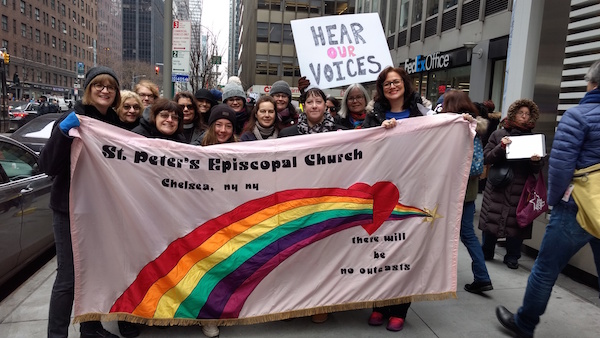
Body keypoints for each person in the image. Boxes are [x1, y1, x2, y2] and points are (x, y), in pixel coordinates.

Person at [495, 60, 600, 338]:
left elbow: (562, 166)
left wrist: (552, 201)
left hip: (576, 206)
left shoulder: (579, 116)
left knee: (545, 269)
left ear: (592, 82)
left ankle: (524, 324)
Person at [40, 66, 140, 338]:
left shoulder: (115, 125)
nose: (105, 90)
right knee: (68, 278)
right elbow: (47, 165)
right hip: (69, 209)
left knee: (96, 273)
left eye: (110, 86)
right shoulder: (73, 118)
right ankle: (56, 334)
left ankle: (91, 329)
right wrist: (62, 133)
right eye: (99, 85)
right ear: (88, 89)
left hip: (101, 212)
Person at [362, 66, 435, 332]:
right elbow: (363, 147)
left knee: (405, 249)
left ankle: (400, 308)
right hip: (382, 189)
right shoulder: (374, 115)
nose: (392, 87)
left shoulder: (423, 113)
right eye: (386, 84)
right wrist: (380, 132)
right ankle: (379, 305)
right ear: (381, 90)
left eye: (396, 82)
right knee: (378, 247)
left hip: (414, 188)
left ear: (405, 83)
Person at [478, 99, 544, 269]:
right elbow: (486, 157)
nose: (524, 116)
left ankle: (512, 256)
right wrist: (501, 147)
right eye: (521, 113)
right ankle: (486, 251)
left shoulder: (533, 138)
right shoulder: (499, 134)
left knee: (517, 222)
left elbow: (537, 169)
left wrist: (536, 161)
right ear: (513, 114)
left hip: (521, 187)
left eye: (527, 114)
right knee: (492, 218)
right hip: (498, 184)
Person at [441, 90, 493, 294]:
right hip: (468, 192)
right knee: (468, 234)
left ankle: (440, 276)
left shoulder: (451, 127)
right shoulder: (474, 127)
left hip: (448, 190)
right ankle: (482, 276)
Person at [279, 87, 346, 137]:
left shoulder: (343, 134)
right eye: (309, 102)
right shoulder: (286, 135)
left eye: (318, 102)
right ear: (304, 107)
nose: (314, 106)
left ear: (325, 106)